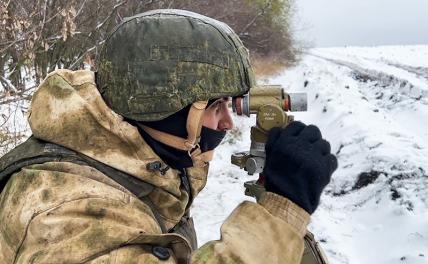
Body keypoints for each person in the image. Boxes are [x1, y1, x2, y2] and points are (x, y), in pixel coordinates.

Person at [0, 9, 337, 263]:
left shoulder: (138, 158)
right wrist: (279, 214)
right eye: (215, 107)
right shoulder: (65, 218)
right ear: (163, 106)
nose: (227, 124)